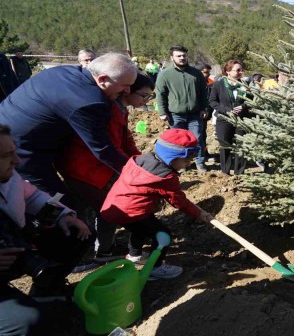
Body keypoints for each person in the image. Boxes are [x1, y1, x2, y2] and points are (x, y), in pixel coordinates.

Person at [0, 52, 137, 205]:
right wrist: (136, 173)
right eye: (125, 86)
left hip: (10, 127)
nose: (127, 92)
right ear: (103, 79)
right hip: (21, 150)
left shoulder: (65, 71)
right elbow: (103, 149)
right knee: (56, 203)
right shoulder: (89, 102)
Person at [55, 73, 154, 271]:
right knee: (94, 211)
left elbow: (126, 141)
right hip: (84, 170)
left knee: (105, 209)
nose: (146, 101)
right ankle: (82, 257)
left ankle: (103, 249)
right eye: (144, 96)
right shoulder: (106, 111)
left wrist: (140, 161)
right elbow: (107, 149)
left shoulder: (121, 109)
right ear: (128, 91)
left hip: (102, 168)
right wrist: (129, 172)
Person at [0, 124, 92, 335]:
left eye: (14, 152)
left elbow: (32, 196)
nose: (17, 161)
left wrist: (63, 215)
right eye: (6, 156)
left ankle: (46, 289)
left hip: (18, 248)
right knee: (27, 322)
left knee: (78, 234)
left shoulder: (10, 176)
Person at [100, 129, 214, 280]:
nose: (187, 164)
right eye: (185, 160)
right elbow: (179, 201)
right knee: (163, 235)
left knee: (139, 230)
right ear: (171, 157)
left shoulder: (141, 160)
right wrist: (199, 214)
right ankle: (156, 268)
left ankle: (135, 255)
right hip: (133, 211)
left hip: (113, 207)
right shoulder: (165, 177)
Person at [155, 46, 209, 173]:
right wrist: (162, 112)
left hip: (194, 114)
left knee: (197, 138)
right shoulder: (165, 74)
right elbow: (160, 94)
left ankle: (199, 162)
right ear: (172, 57)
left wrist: (204, 108)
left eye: (184, 55)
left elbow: (203, 93)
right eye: (178, 56)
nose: (182, 58)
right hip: (175, 114)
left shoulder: (196, 73)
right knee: (177, 142)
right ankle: (180, 165)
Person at [209, 59, 252, 175]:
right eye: (237, 70)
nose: (240, 72)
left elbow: (252, 101)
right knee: (225, 145)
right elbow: (212, 101)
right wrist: (227, 110)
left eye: (241, 70)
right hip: (224, 119)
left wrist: (243, 106)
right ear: (228, 71)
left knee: (241, 145)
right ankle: (225, 171)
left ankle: (239, 172)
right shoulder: (219, 84)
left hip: (241, 119)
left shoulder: (245, 85)